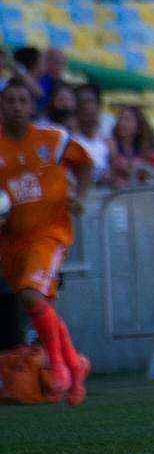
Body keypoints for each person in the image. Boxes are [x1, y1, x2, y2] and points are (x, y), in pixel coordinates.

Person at [0, 79, 93, 405]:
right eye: (10, 101)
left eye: (22, 101)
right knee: (42, 306)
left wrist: (81, 197)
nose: (16, 107)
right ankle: (75, 366)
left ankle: (58, 366)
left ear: (31, 106)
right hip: (12, 240)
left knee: (30, 294)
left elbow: (85, 163)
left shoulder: (52, 139)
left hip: (50, 233)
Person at [109, 105, 154, 188]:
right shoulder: (110, 145)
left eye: (127, 120)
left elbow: (150, 175)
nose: (122, 123)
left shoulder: (146, 150)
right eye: (120, 119)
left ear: (138, 126)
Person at [72, 84, 110, 182]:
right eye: (83, 103)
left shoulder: (106, 141)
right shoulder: (70, 140)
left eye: (91, 102)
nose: (87, 107)